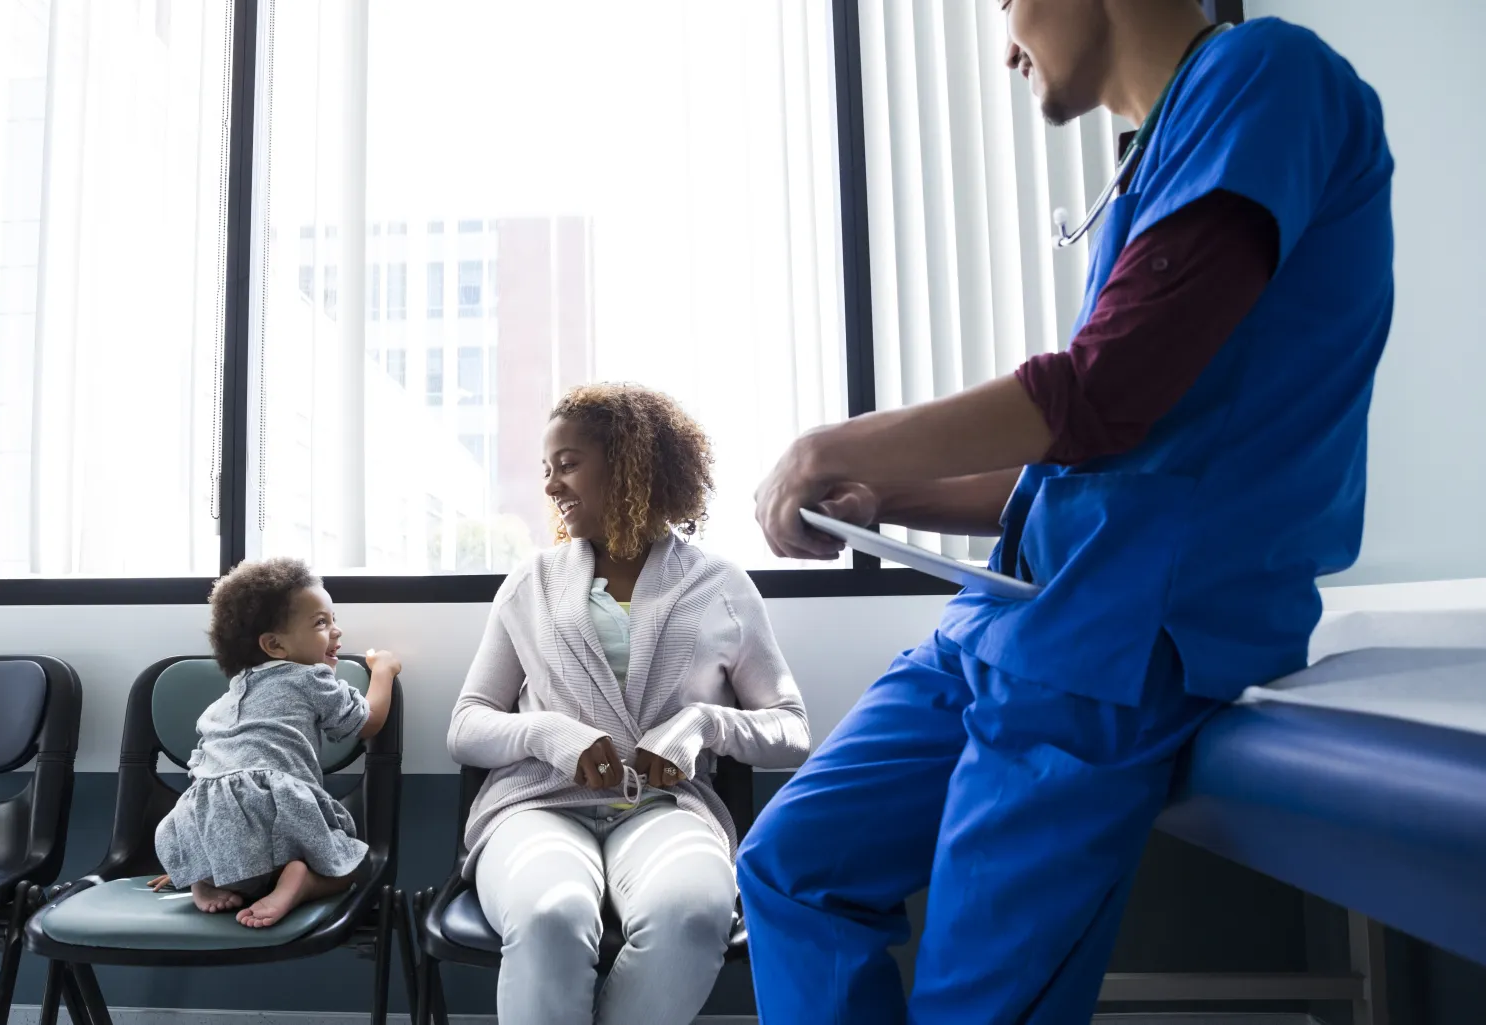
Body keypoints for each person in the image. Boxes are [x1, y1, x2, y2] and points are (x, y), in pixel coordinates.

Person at [738, 4, 1394, 1022]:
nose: (1005, 46)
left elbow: (1103, 393)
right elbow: (1094, 462)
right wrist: (885, 498)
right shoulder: (1165, 148)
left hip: (1115, 642)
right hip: (1006, 619)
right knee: (789, 865)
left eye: (1003, 4)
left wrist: (831, 446)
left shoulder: (1268, 74)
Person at [448, 383, 811, 1025]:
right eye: (547, 470)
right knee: (549, 914)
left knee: (692, 915)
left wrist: (701, 724)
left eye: (568, 464)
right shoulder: (529, 584)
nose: (553, 485)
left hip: (665, 806)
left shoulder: (720, 586)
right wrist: (548, 734)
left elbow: (790, 730)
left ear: (630, 466)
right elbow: (467, 724)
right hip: (536, 805)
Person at [149, 558, 401, 929]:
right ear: (275, 645)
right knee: (352, 863)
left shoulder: (228, 698)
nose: (336, 630)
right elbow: (369, 721)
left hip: (198, 815)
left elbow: (203, 766)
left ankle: (204, 877)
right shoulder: (311, 678)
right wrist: (384, 670)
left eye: (333, 618)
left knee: (242, 849)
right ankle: (301, 881)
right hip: (272, 809)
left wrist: (197, 850)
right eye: (321, 622)